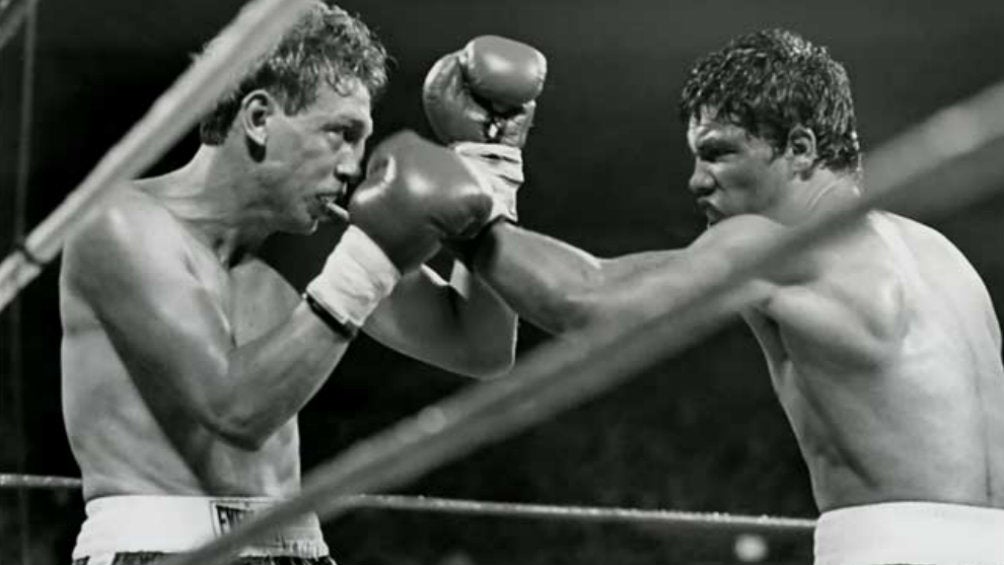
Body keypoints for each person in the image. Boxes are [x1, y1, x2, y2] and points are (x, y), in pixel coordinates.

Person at [454, 29, 1004, 565]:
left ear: (800, 148)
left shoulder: (772, 248)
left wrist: (462, 207)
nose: (697, 180)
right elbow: (615, 277)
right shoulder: (939, 256)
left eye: (718, 153)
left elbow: (584, 302)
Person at [58, 4, 544, 564]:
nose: (353, 166)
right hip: (159, 549)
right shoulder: (122, 224)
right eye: (341, 133)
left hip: (302, 548)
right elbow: (234, 410)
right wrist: (366, 264)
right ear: (259, 117)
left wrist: (492, 170)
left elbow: (479, 347)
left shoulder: (311, 244)